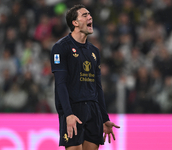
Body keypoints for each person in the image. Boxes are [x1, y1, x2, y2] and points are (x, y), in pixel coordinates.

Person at [50, 4, 120, 150]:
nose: (90, 17)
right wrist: (68, 114)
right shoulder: (61, 47)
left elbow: (98, 87)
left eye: (90, 14)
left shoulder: (94, 51)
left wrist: (105, 118)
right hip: (74, 110)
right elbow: (60, 84)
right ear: (74, 23)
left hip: (93, 111)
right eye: (85, 15)